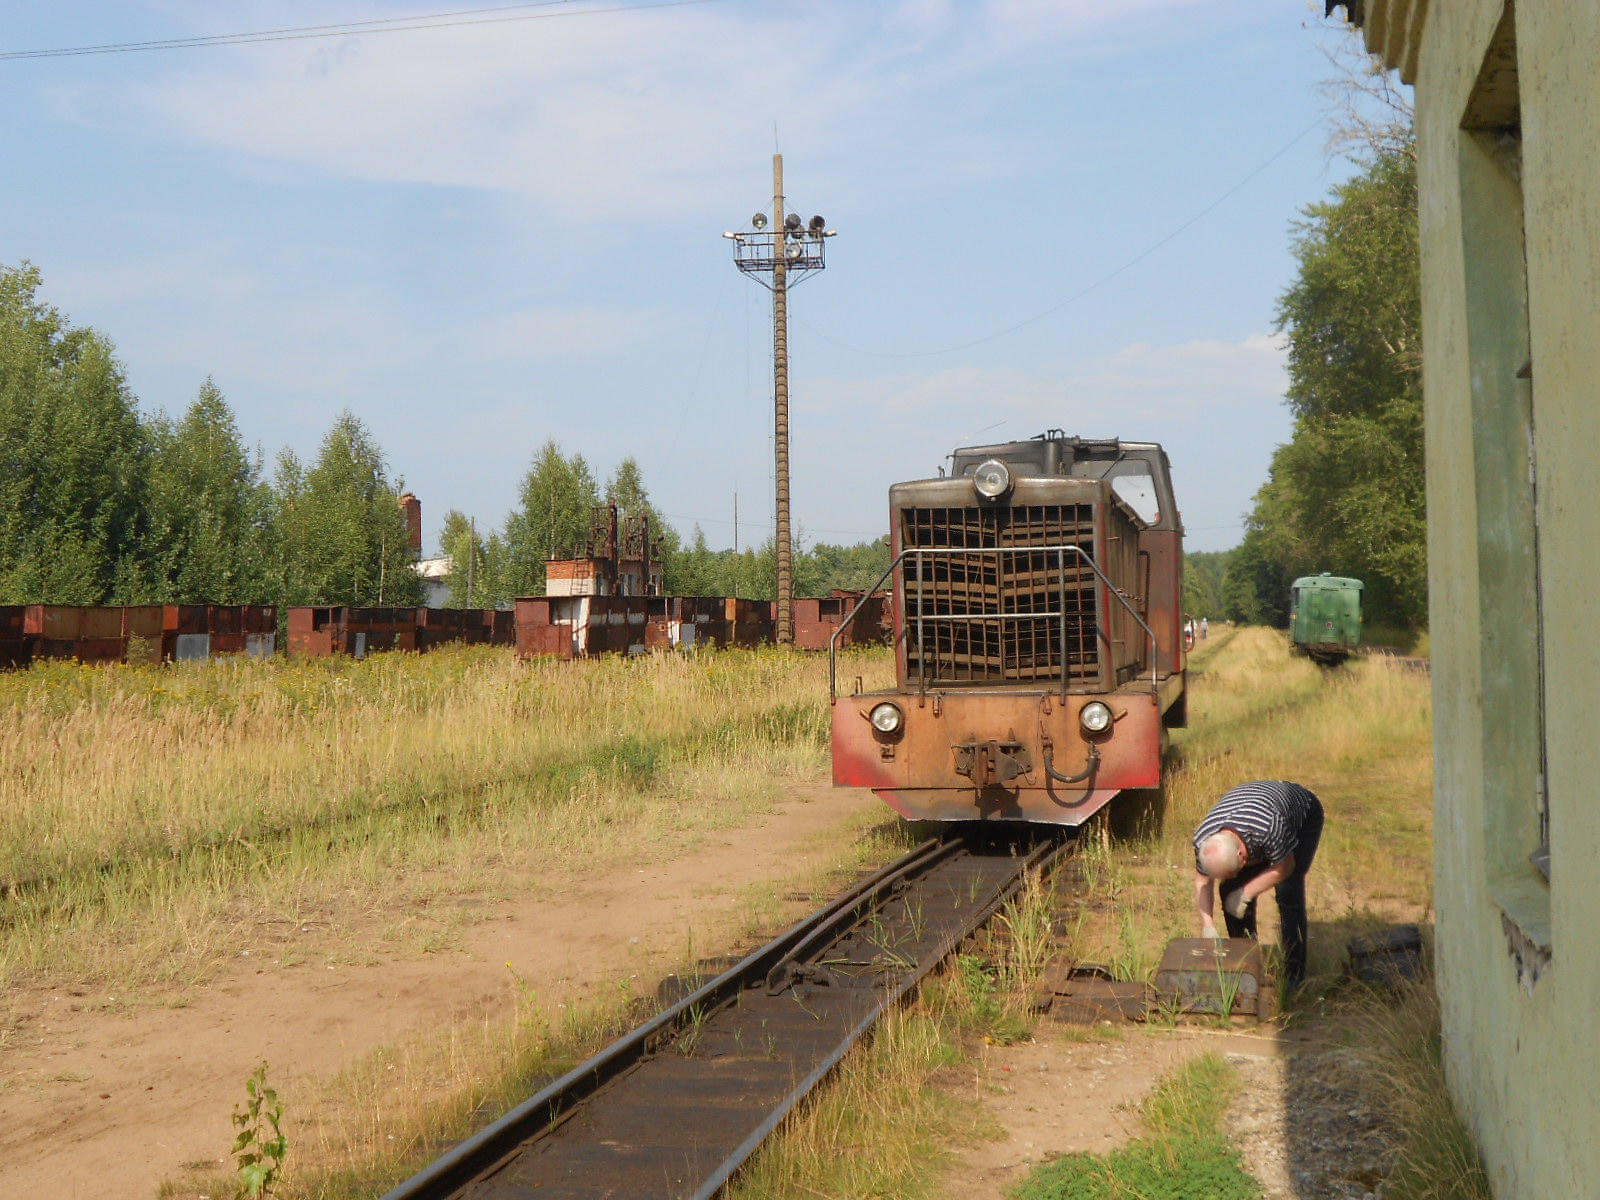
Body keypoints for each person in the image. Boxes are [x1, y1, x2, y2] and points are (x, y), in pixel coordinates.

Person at [1193, 780, 1325, 987]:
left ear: (1242, 855)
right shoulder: (1204, 840)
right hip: (1251, 825)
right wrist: (1207, 926)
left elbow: (1285, 867)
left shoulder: (1268, 828)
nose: (1237, 874)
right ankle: (1247, 965)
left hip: (1302, 815)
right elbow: (1203, 880)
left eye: (1235, 870)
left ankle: (1294, 975)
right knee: (1229, 890)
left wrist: (1246, 893)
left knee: (1288, 891)